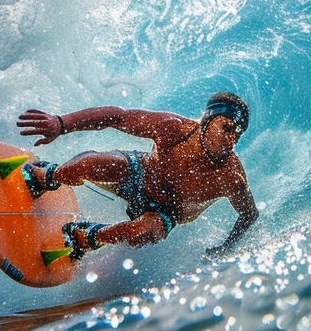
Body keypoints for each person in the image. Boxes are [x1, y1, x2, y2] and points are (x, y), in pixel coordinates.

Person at [15, 92, 257, 261]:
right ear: (207, 120)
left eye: (238, 133)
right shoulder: (173, 128)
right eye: (227, 128)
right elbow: (117, 117)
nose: (232, 138)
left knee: (144, 232)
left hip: (167, 212)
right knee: (90, 163)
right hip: (141, 173)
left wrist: (226, 247)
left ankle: (85, 237)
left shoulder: (230, 176)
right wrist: (61, 123)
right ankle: (48, 176)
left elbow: (249, 213)